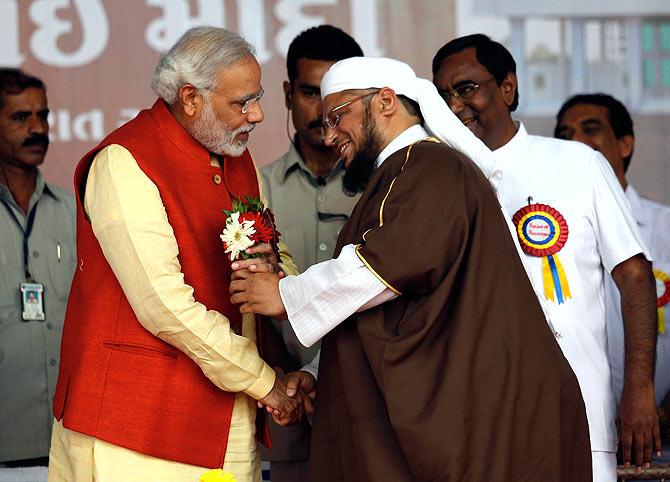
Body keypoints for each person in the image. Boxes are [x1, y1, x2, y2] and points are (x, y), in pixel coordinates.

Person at [231, 56, 592, 481]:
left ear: (385, 101)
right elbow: (394, 311)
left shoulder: (432, 168)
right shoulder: (403, 174)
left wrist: (285, 296)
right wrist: (321, 372)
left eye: (337, 116)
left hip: (480, 415)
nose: (329, 136)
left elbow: (386, 267)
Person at [48, 27, 305, 482]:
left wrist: (287, 295)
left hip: (228, 411)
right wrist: (266, 383)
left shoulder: (235, 159)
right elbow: (164, 306)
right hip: (135, 427)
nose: (258, 114)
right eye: (241, 102)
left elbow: (270, 255)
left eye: (257, 97)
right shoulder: (125, 161)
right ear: (190, 98)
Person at [432, 34, 660, 480]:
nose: (455, 106)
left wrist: (638, 387)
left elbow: (634, 274)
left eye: (466, 89)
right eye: (443, 96)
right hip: (476, 422)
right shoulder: (437, 179)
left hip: (578, 409)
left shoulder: (577, 163)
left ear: (508, 89)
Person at [259, 25, 363, 482]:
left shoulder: (387, 190)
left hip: (366, 409)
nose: (323, 111)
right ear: (285, 94)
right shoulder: (252, 189)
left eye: (334, 95)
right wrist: (279, 379)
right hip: (277, 404)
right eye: (308, 92)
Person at [555, 93, 670, 409]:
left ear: (624, 144)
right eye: (564, 135)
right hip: (578, 431)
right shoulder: (543, 235)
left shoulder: (665, 228)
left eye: (590, 129)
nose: (574, 140)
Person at [0, 68, 76, 468]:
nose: (37, 129)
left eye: (43, 116)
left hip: (69, 442)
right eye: (20, 117)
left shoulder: (75, 212)